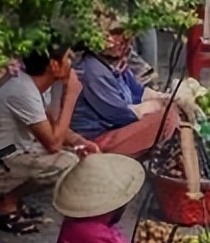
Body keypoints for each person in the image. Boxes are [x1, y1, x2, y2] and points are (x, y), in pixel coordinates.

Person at [0, 46, 98, 234]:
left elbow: (53, 125)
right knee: (66, 162)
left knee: (77, 153)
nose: (71, 62)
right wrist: (71, 96)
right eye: (67, 58)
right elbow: (54, 143)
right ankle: (4, 204)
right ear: (53, 65)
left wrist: (79, 141)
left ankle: (9, 198)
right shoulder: (23, 91)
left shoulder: (35, 86)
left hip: (11, 154)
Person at [70, 29, 178, 159]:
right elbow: (119, 115)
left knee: (173, 109)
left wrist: (167, 98)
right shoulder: (92, 69)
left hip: (115, 129)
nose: (125, 39)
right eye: (115, 33)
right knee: (166, 119)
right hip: (94, 141)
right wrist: (152, 106)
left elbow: (137, 91)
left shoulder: (113, 61)